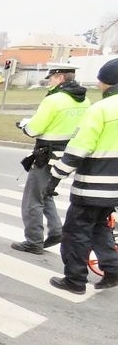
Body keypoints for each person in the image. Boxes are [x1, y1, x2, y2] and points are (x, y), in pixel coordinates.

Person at [43, 58, 118, 294]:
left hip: (91, 186)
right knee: (100, 228)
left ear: (108, 82)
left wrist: (55, 177)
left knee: (76, 233)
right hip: (114, 190)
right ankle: (113, 270)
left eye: (100, 79)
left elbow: (78, 150)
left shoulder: (102, 109)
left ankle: (74, 280)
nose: (97, 83)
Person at [12, 64, 90, 254]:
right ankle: (56, 231)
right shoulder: (85, 101)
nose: (50, 81)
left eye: (52, 78)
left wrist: (25, 125)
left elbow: (34, 129)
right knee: (46, 193)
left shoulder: (54, 100)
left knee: (32, 199)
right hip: (68, 157)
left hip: (46, 156)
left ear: (60, 78)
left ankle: (33, 241)